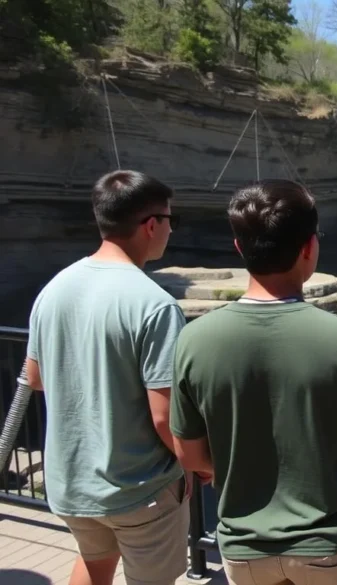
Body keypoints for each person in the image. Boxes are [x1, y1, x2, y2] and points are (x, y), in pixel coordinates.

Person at [170, 179, 337, 585]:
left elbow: (190, 456)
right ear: (310, 247)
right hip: (334, 546)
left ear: (239, 247)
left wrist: (236, 459)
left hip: (244, 550)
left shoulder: (193, 341)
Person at [22, 170, 190, 585]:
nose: (170, 229)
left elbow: (35, 377)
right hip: (138, 491)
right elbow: (163, 416)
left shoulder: (55, 289)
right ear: (152, 225)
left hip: (72, 484)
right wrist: (201, 465)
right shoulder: (156, 305)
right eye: (170, 220)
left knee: (95, 566)